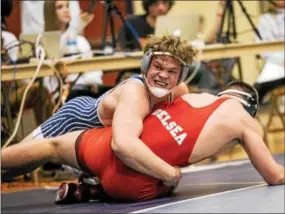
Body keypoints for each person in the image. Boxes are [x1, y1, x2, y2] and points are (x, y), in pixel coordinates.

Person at [2, 81, 284, 203]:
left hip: (102, 144)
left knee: (49, 147)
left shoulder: (186, 94)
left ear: (224, 92)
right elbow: (274, 176)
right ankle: (96, 191)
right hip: (134, 183)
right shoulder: (246, 121)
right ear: (250, 107)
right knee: (172, 179)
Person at [19, 35, 194, 183]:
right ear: (146, 65)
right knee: (18, 164)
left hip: (97, 140)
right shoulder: (136, 92)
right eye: (158, 67)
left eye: (172, 71)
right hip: (74, 119)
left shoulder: (179, 92)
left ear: (181, 75)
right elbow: (123, 144)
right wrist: (170, 174)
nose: (163, 75)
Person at [42, 0, 104, 103]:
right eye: (60, 7)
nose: (66, 10)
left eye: (67, 6)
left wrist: (92, 82)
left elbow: (94, 68)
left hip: (86, 89)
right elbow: (48, 81)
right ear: (50, 12)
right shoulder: (45, 43)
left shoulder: (80, 41)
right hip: (63, 95)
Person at [254, 0, 285, 103]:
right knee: (257, 91)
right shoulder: (265, 19)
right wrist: (280, 61)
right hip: (276, 63)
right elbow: (262, 48)